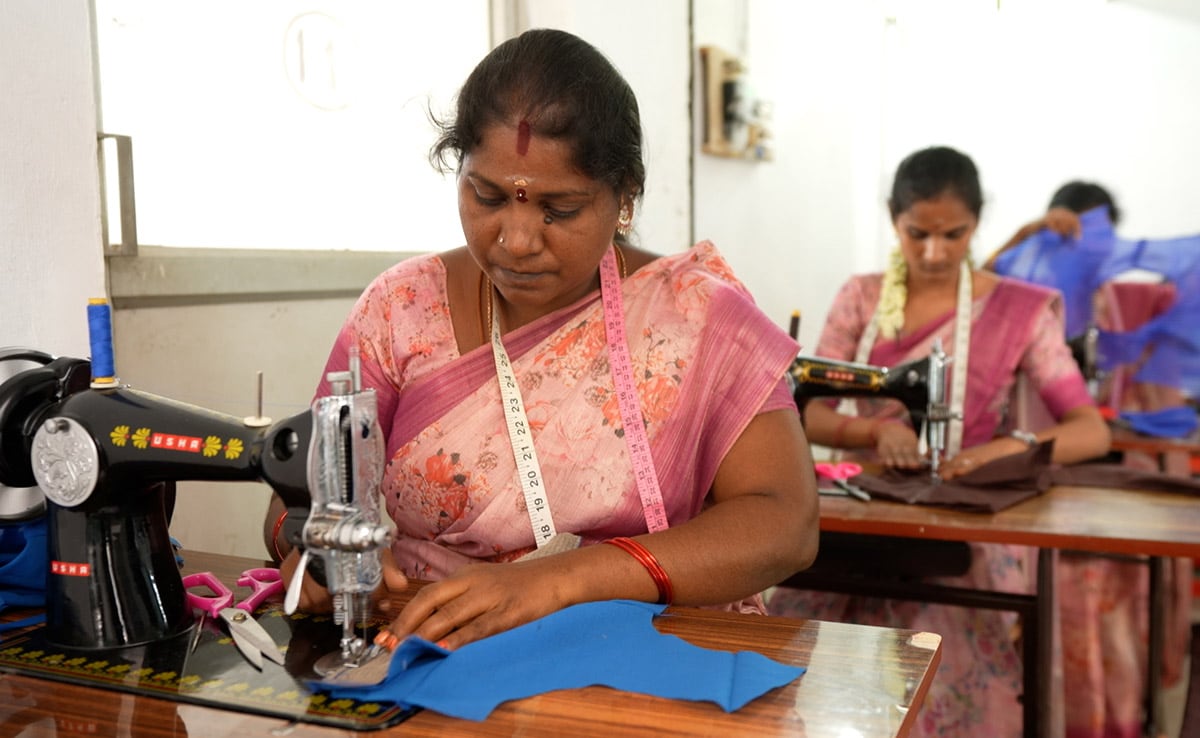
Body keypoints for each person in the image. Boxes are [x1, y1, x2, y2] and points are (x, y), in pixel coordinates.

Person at [263, 29, 819, 652]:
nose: (518, 239)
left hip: (632, 648)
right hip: (422, 643)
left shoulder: (697, 316)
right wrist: (310, 547)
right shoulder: (401, 309)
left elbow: (783, 522)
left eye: (560, 209)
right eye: (489, 196)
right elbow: (300, 500)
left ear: (625, 196)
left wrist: (561, 582)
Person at [768, 146, 1111, 737]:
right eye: (916, 234)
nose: (934, 252)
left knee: (948, 670)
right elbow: (801, 410)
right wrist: (874, 429)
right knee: (798, 678)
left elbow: (1090, 428)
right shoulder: (861, 297)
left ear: (978, 223)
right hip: (859, 521)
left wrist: (1006, 447)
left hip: (959, 526)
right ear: (892, 219)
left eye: (954, 235)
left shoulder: (1020, 312)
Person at [983, 180, 1121, 271]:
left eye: (1100, 235)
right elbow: (973, 287)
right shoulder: (1026, 287)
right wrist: (1025, 233)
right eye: (1072, 233)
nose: (1087, 245)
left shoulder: (1115, 299)